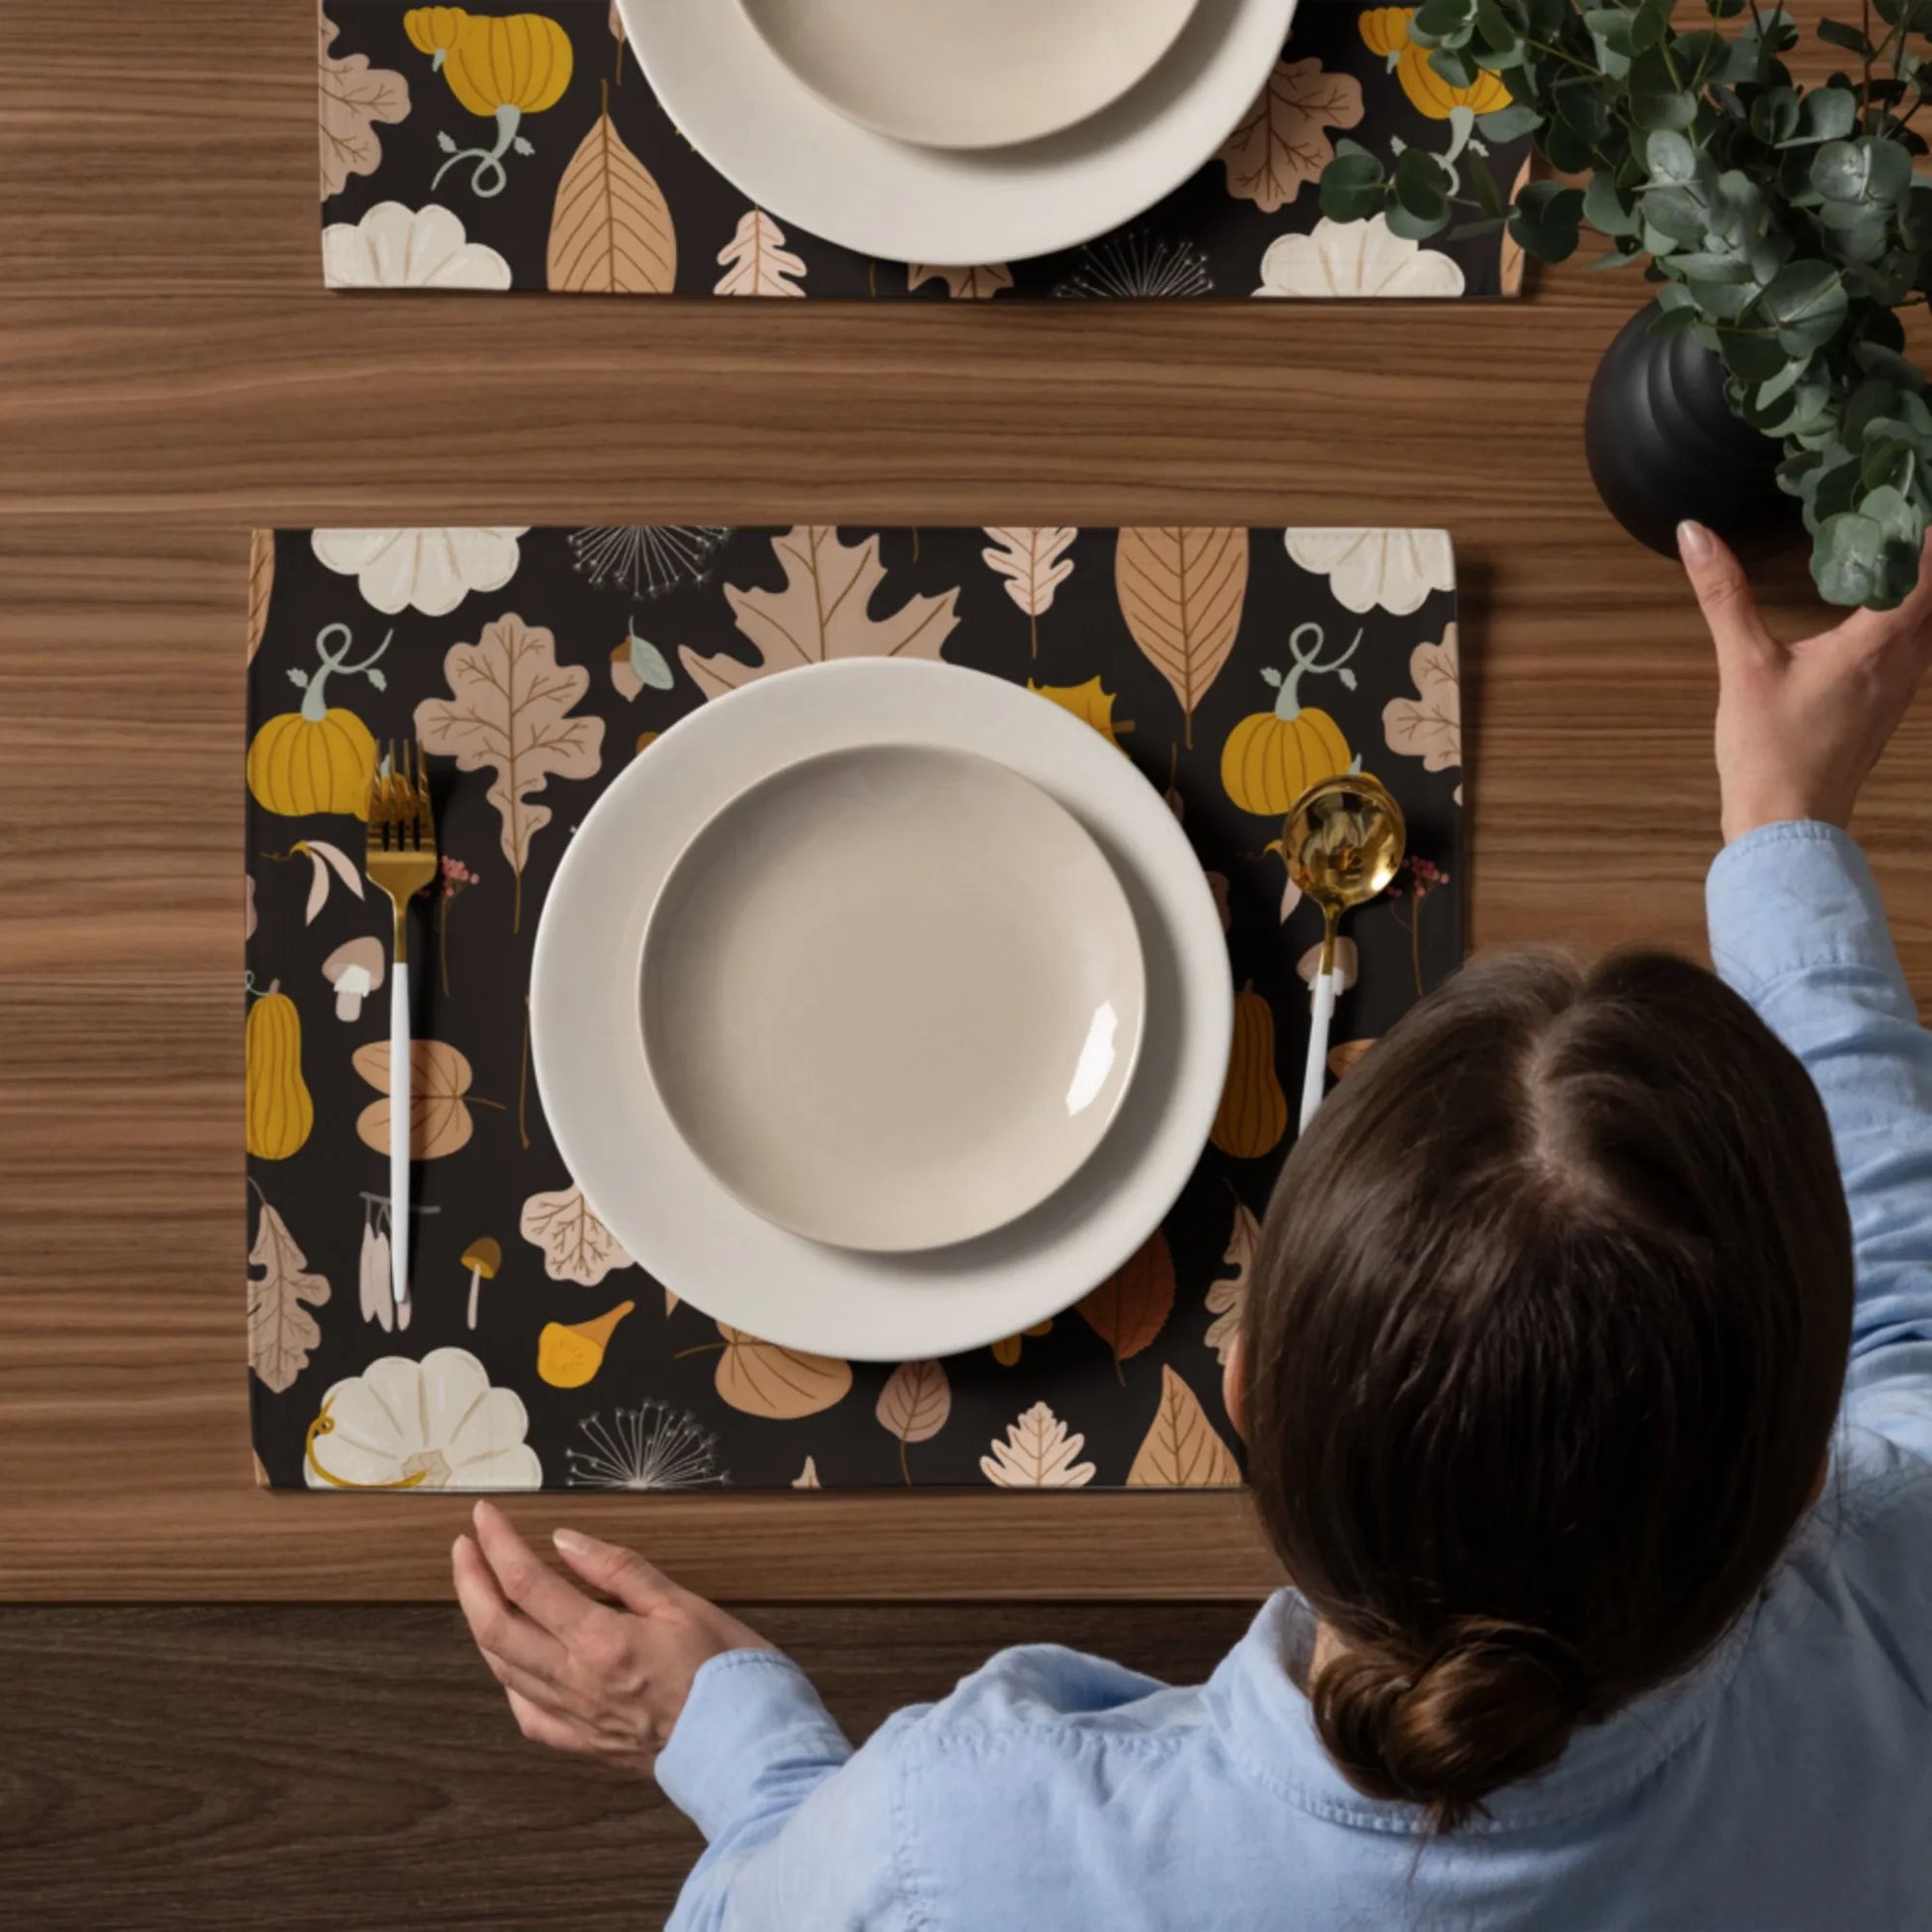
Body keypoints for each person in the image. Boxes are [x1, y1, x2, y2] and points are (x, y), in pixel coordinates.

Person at [452, 522, 1932, 1930]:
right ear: (1804, 1479)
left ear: (1237, 1394)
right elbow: (1906, 1323)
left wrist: (742, 1753)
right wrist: (1782, 831)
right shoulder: (1898, 1603)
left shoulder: (951, 1848)